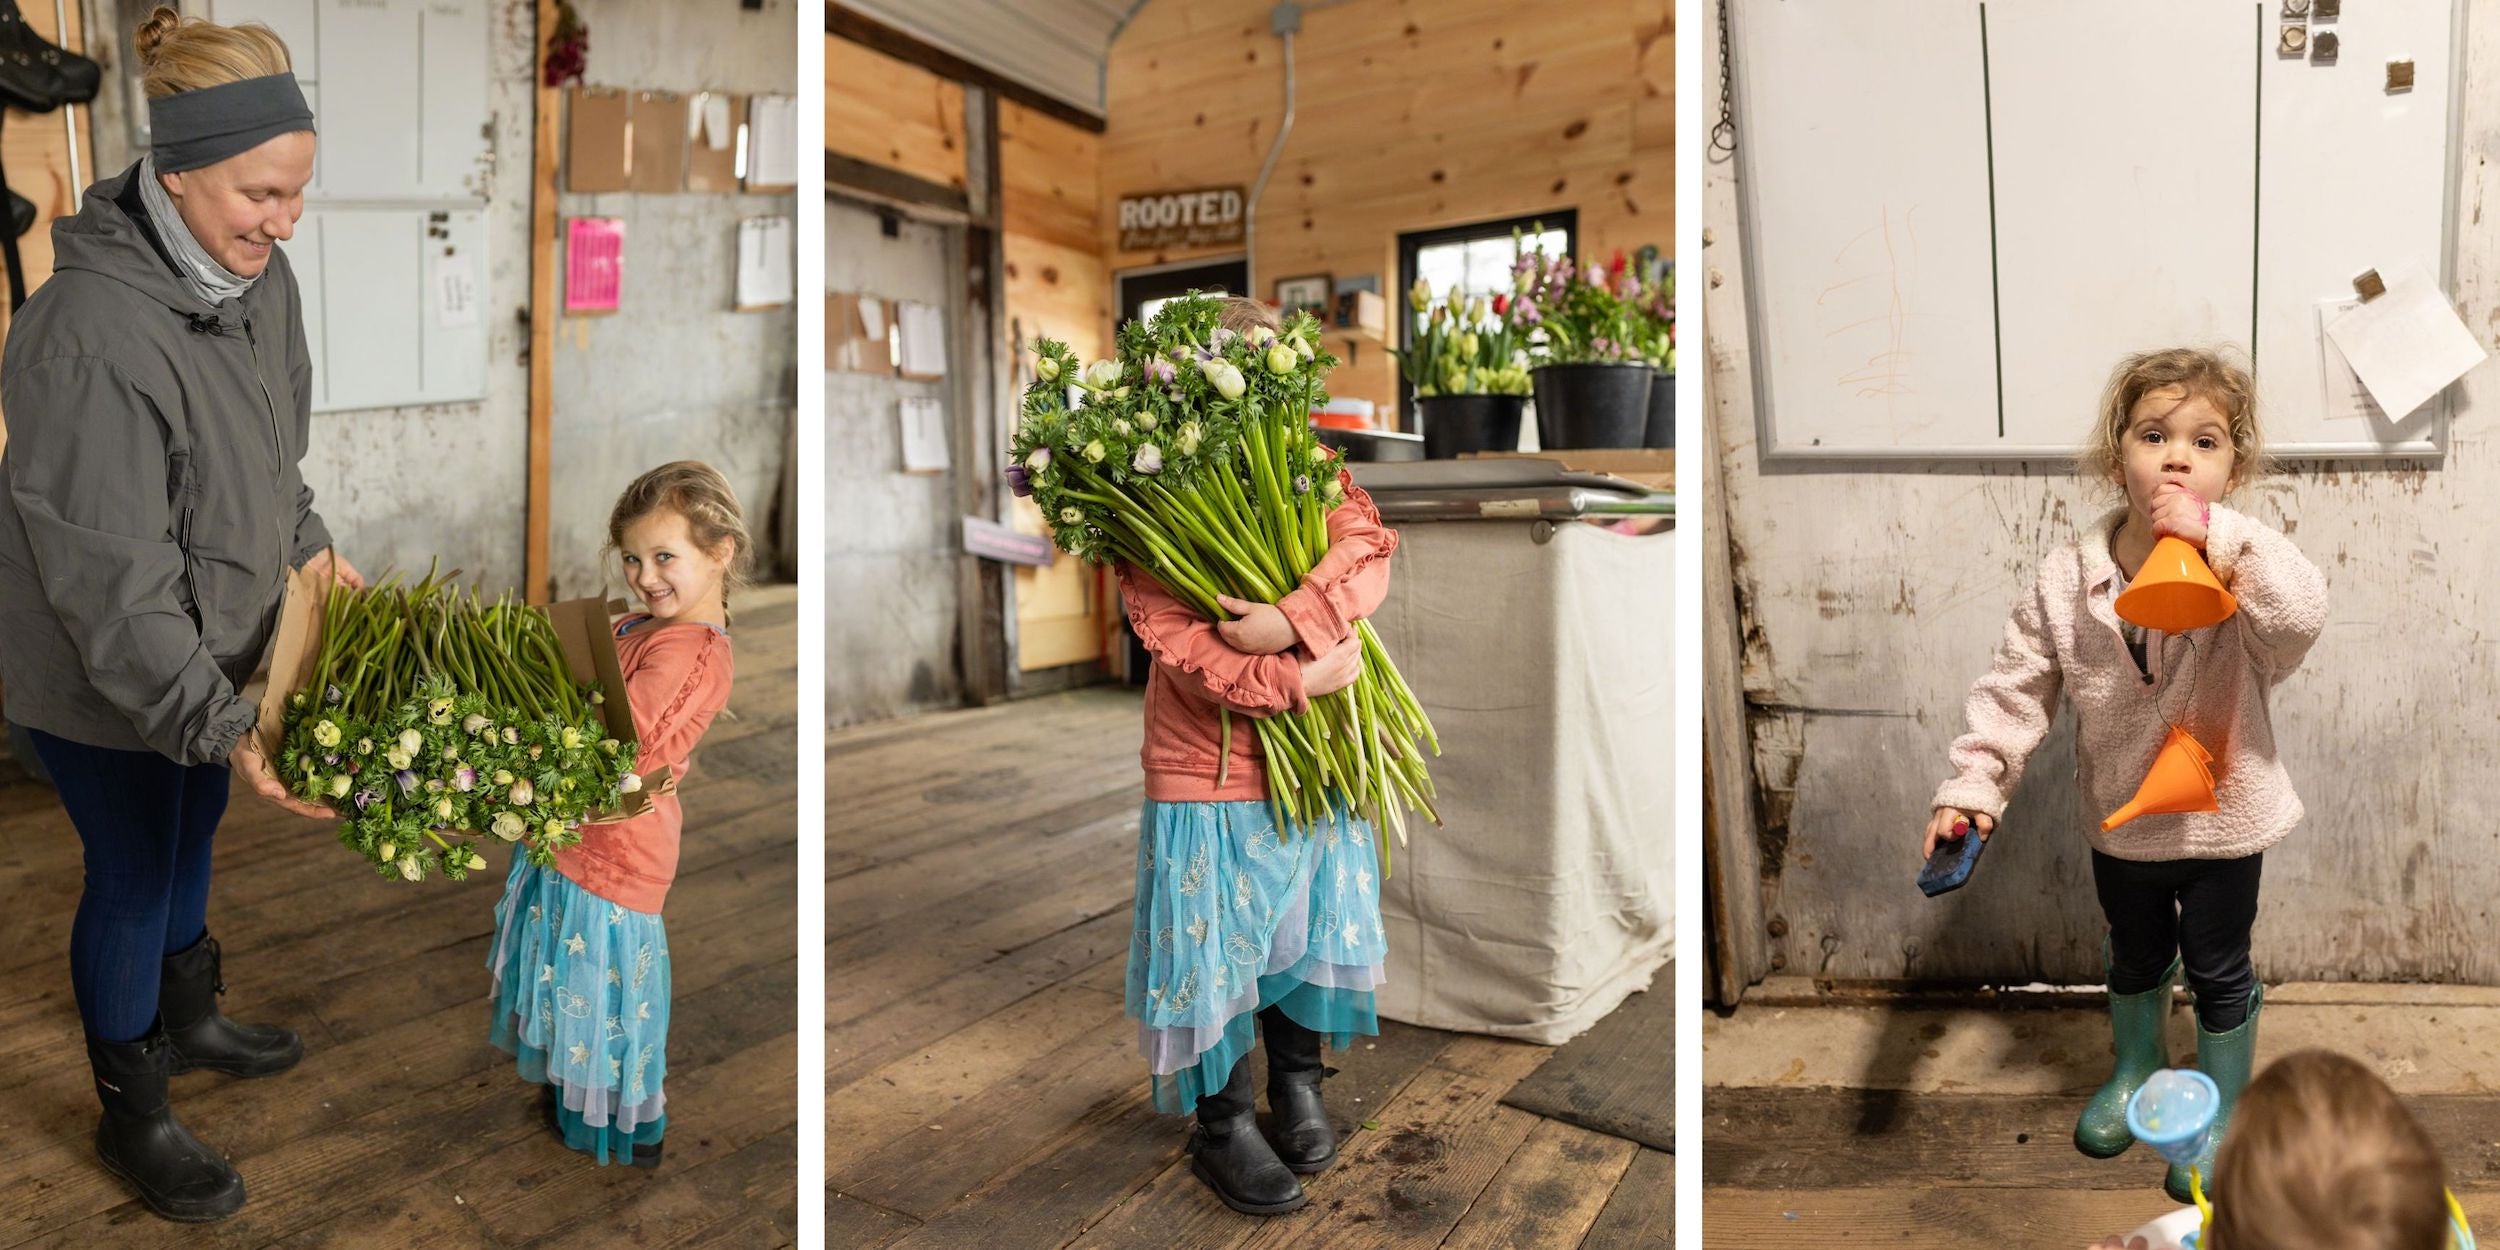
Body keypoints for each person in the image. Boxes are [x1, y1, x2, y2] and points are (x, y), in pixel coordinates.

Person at [0, 6, 352, 1222]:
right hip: (98, 662)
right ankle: (132, 1110)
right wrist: (220, 715)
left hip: (200, 633)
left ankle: (189, 1013)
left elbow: (266, 456)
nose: (284, 220)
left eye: (298, 193)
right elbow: (111, 579)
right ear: (180, 169)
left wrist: (308, 547)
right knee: (137, 864)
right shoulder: (87, 337)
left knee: (195, 813)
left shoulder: (260, 281)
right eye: (260, 193)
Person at [1925, 348, 2327, 1199]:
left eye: (2205, 441)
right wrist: (1974, 789)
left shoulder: (2245, 567)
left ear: (2233, 468)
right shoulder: (2069, 577)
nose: (2178, 455)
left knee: (2219, 965)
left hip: (2226, 822)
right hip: (2124, 824)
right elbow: (2015, 686)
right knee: (2135, 955)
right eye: (2155, 434)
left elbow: (2301, 617)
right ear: (2119, 458)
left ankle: (2223, 1109)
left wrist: (2217, 537)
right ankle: (2138, 1072)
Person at [486, 461, 745, 1167]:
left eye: (666, 557)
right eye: (632, 558)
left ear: (720, 551)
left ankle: (620, 1124)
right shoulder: (640, 621)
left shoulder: (692, 653)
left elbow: (623, 742)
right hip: (578, 831)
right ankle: (576, 1088)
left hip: (617, 850)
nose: (644, 575)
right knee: (570, 984)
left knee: (603, 992)